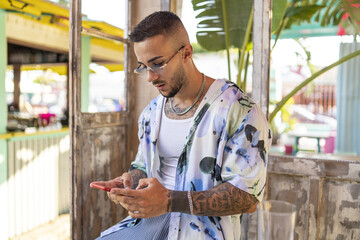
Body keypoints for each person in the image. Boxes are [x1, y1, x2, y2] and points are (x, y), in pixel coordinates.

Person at [91, 11, 272, 240]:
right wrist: (129, 182)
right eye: (143, 66)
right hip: (146, 225)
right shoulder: (151, 113)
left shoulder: (238, 110)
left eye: (157, 64)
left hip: (201, 233)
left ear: (186, 53)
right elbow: (143, 166)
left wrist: (169, 201)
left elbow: (247, 198)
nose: (149, 77)